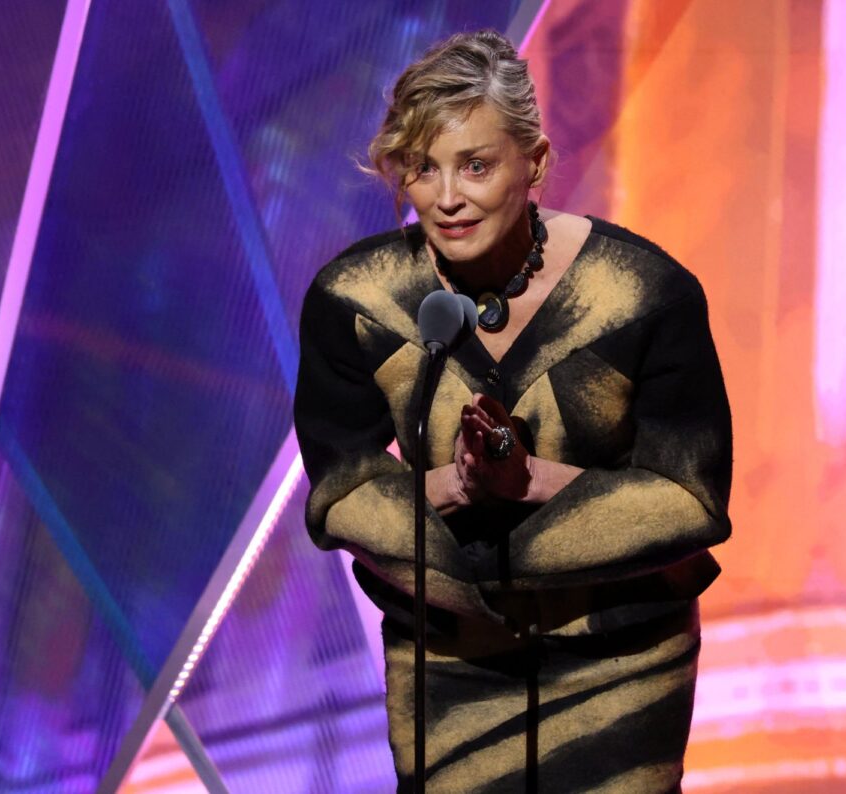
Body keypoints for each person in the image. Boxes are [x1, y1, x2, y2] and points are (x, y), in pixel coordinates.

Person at [294, 29, 732, 793]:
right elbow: (340, 492)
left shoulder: (643, 292)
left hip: (619, 658)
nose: (447, 198)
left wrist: (530, 481)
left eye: (476, 165)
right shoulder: (358, 301)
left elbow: (690, 500)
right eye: (422, 167)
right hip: (448, 658)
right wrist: (459, 485)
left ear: (534, 161)